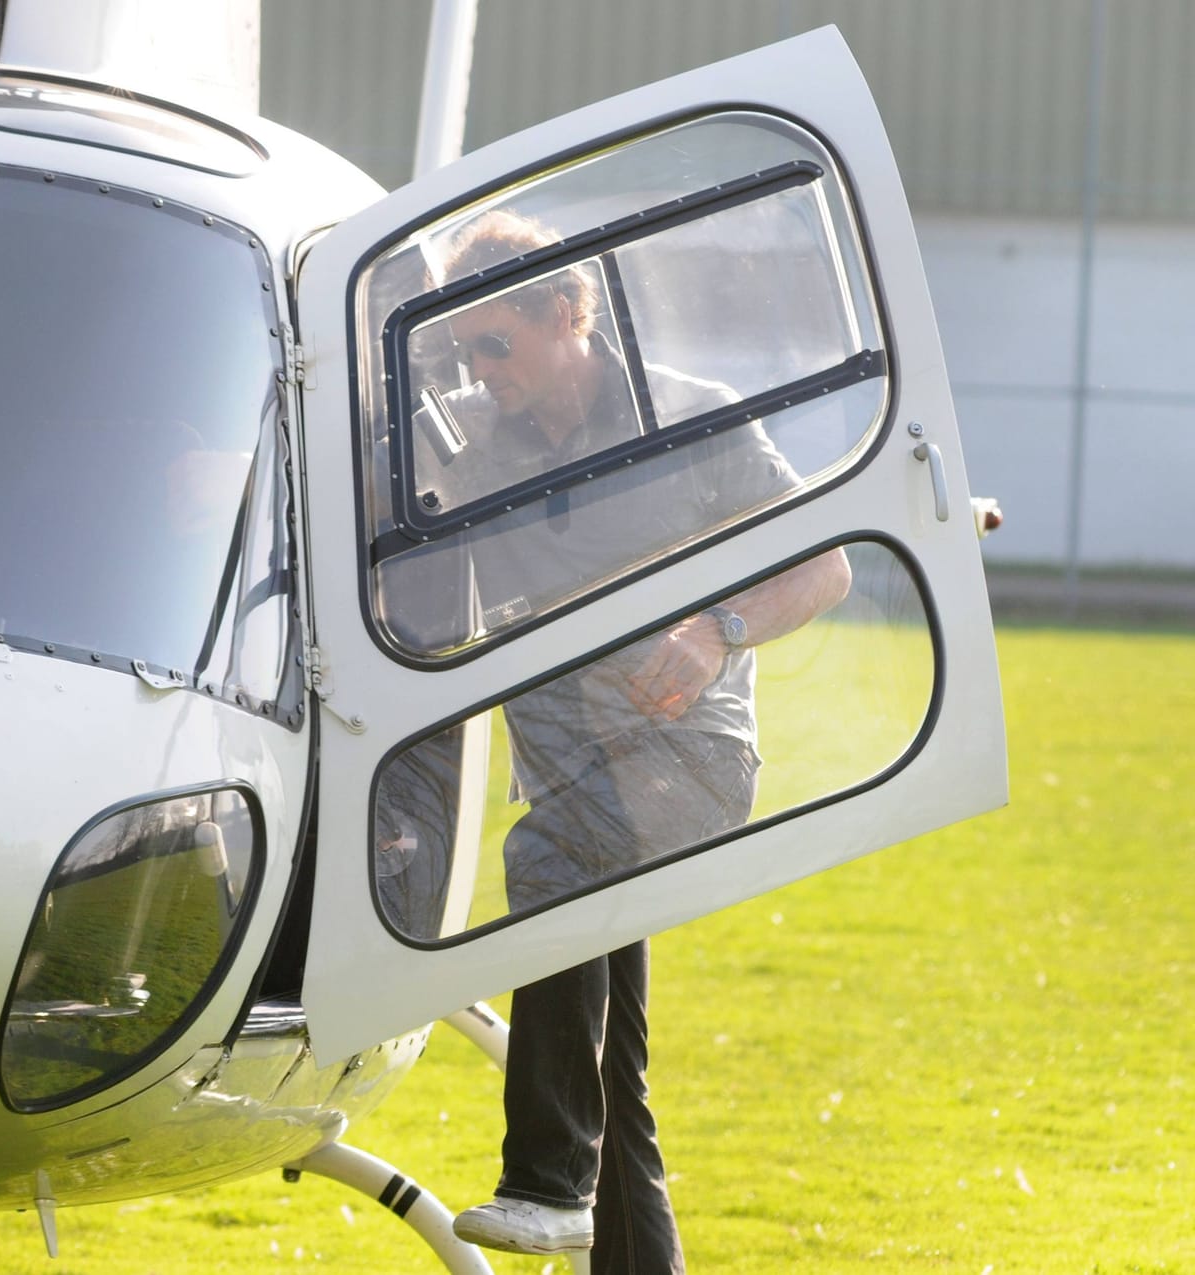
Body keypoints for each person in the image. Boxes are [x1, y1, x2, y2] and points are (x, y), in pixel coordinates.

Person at [412, 212, 852, 1268]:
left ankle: (547, 1180)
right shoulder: (471, 443)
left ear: (565, 313)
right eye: (464, 350)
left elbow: (826, 566)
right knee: (617, 1076)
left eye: (494, 344)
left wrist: (718, 631)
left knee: (548, 866)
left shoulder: (691, 416)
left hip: (685, 770)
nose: (477, 371)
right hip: (572, 781)